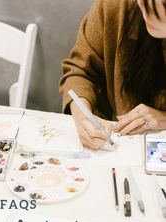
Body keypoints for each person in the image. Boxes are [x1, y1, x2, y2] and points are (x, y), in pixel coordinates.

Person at [59, 0, 166, 150]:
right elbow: (80, 71)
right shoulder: (116, 6)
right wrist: (82, 116)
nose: (149, 12)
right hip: (117, 145)